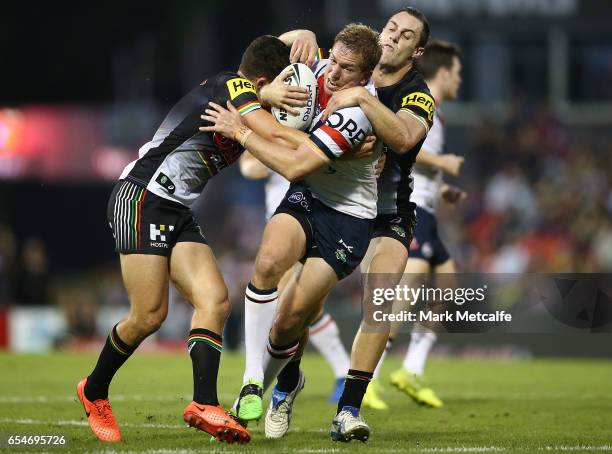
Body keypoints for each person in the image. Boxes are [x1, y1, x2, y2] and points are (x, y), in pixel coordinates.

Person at [75, 34, 310, 444]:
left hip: (177, 208)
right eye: (283, 89)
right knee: (149, 315)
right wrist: (321, 144)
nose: (289, 100)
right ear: (261, 81)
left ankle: (205, 404)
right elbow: (266, 129)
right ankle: (93, 391)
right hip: (142, 195)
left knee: (214, 301)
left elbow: (266, 67)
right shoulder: (231, 85)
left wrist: (302, 37)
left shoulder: (245, 94)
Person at [201, 23, 383, 441]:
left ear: (365, 77)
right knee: (266, 264)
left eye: (346, 69)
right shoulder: (315, 70)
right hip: (307, 199)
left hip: (348, 218)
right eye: (333, 59)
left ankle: (284, 386)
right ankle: (250, 382)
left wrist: (242, 131)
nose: (333, 74)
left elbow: (296, 165)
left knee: (290, 321)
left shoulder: (358, 113)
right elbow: (262, 56)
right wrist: (295, 34)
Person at [317, 7, 436, 436]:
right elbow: (308, 58)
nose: (393, 37)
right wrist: (299, 33)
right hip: (337, 202)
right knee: (300, 305)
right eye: (391, 28)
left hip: (389, 214)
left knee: (380, 301)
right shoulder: (353, 65)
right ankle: (275, 385)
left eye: (406, 36)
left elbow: (404, 137)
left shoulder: (417, 94)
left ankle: (348, 410)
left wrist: (365, 99)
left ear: (416, 50)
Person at [380, 40, 465, 409]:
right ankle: (369, 373)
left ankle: (411, 368)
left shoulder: (438, 112)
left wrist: (443, 188)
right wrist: (444, 162)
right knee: (406, 292)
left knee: (446, 285)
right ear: (444, 73)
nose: (460, 81)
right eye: (458, 73)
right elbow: (404, 142)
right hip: (411, 206)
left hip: (427, 204)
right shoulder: (421, 101)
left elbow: (418, 159)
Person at [239, 154, 351, 403]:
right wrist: (283, 154)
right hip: (281, 220)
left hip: (315, 218)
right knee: (298, 308)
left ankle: (271, 383)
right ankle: (337, 372)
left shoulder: (319, 126)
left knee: (294, 308)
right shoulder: (270, 126)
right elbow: (249, 168)